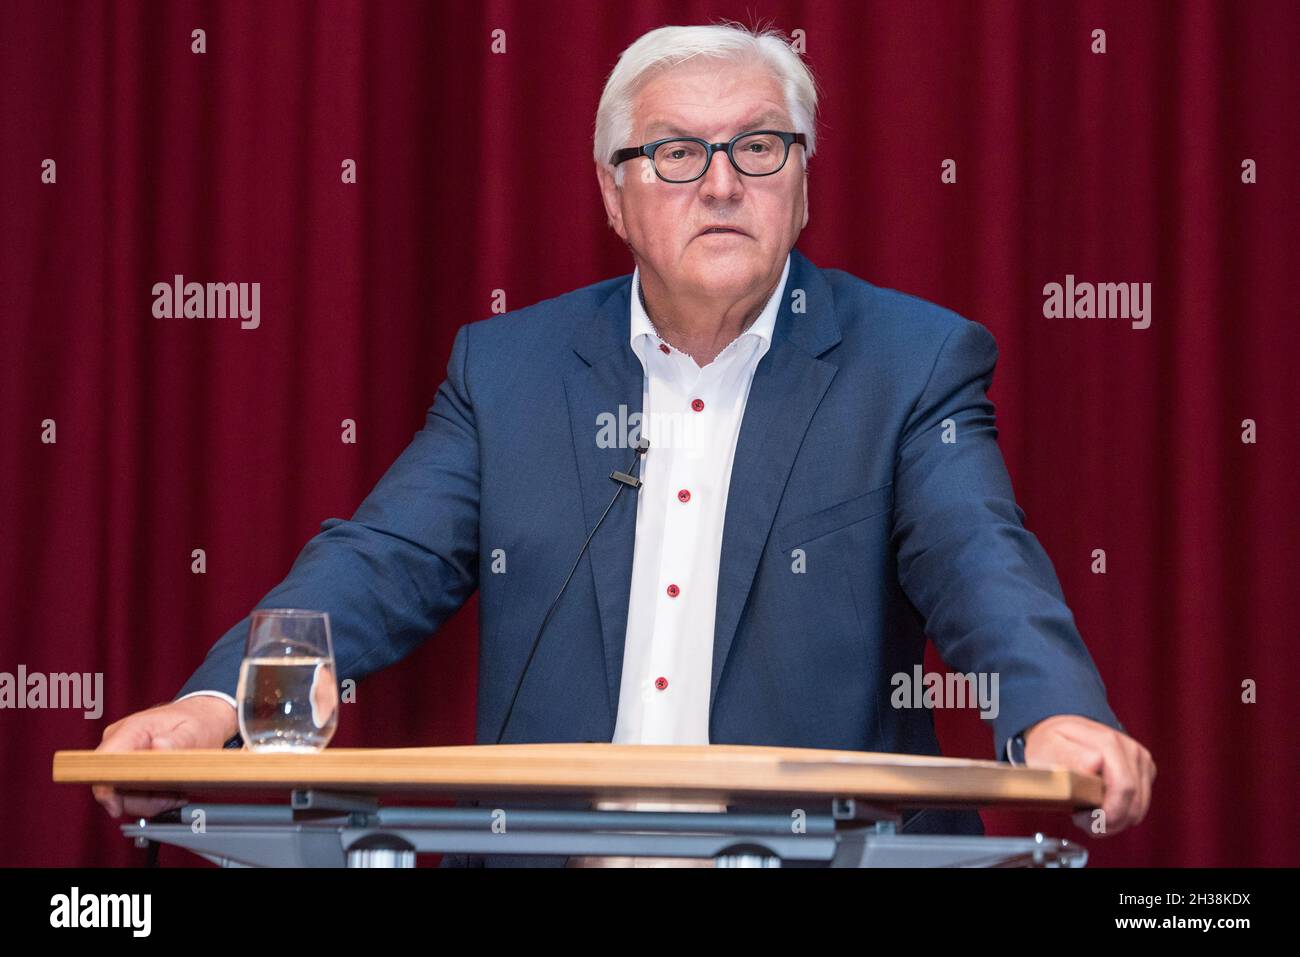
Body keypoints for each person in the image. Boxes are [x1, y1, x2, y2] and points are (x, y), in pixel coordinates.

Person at [94, 22, 1154, 864]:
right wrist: (212, 708)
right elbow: (382, 560)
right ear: (614, 192)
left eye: (759, 146)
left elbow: (982, 561)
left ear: (802, 182)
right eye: (677, 153)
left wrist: (1053, 715)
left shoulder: (910, 362)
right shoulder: (508, 371)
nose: (723, 182)